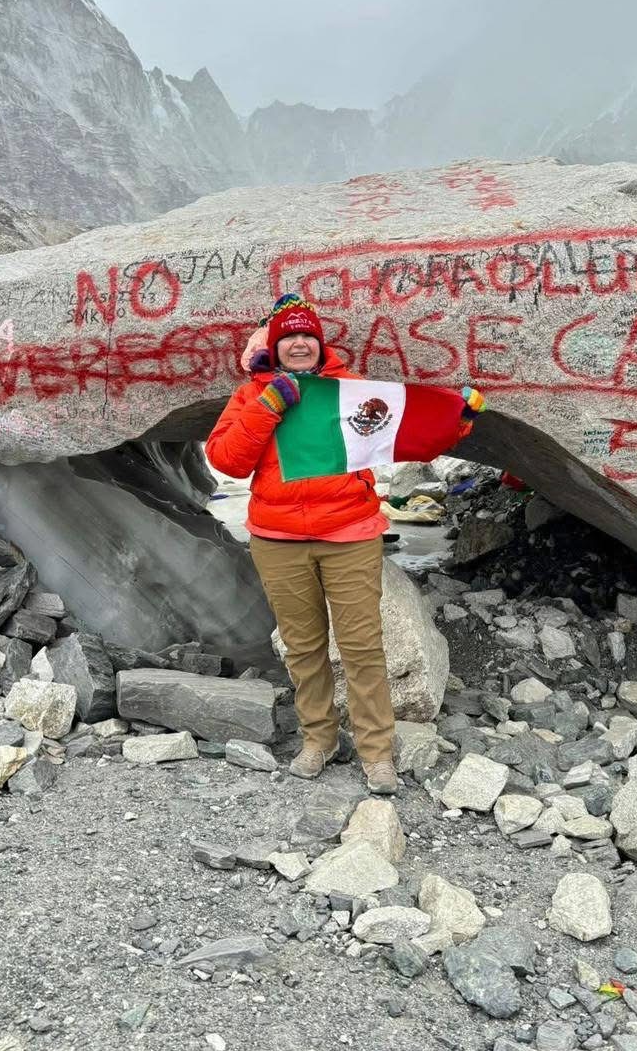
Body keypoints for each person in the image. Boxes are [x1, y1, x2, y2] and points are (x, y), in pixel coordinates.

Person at [206, 293, 482, 796]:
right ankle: (319, 740)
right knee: (303, 646)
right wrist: (269, 407)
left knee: (360, 646)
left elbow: (404, 432)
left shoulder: (349, 391)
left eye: (307, 336)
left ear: (319, 342)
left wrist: (452, 420)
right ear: (274, 344)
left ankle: (376, 753)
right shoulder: (253, 394)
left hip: (349, 535)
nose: (298, 344)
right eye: (288, 336)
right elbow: (226, 460)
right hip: (278, 538)